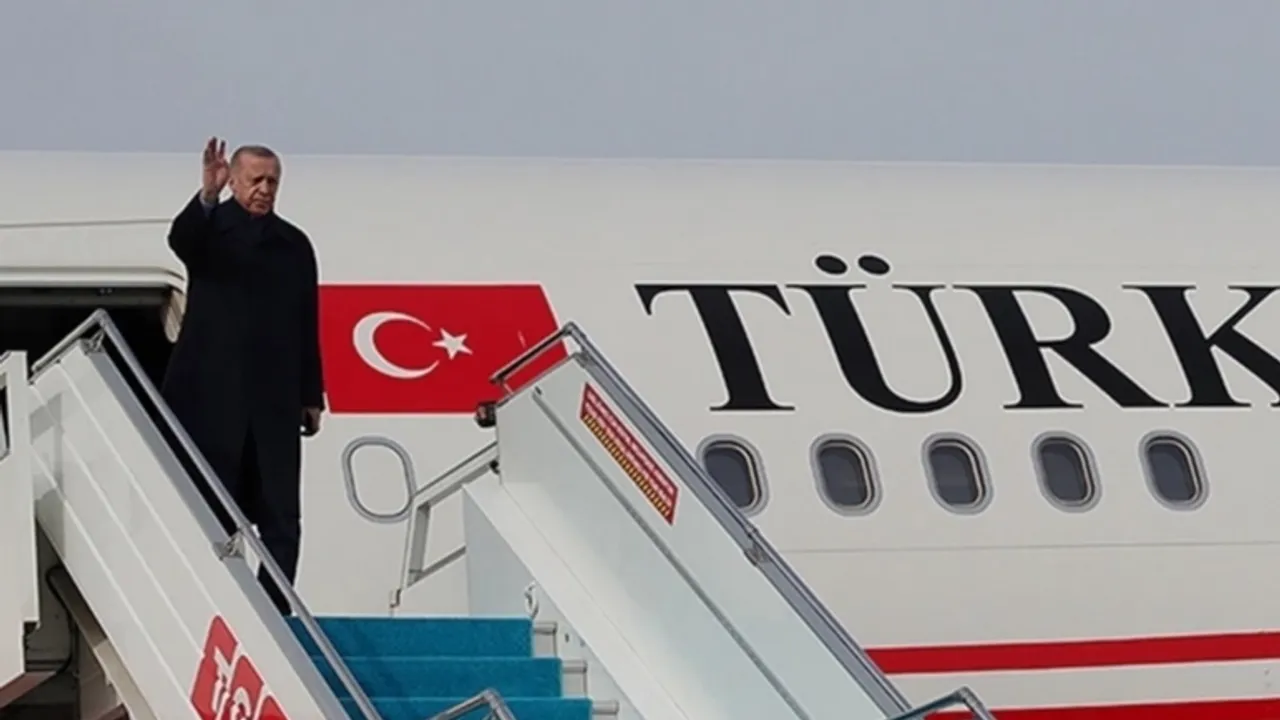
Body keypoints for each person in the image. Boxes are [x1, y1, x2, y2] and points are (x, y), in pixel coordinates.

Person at [161, 137, 325, 615]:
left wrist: (311, 393)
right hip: (212, 399)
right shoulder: (210, 232)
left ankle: (274, 608)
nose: (265, 189)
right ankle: (215, 602)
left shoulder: (293, 244)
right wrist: (207, 196)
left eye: (272, 181)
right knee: (213, 506)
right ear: (233, 180)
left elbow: (306, 320)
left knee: (281, 515)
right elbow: (181, 241)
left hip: (274, 400)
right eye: (256, 180)